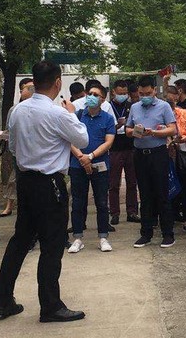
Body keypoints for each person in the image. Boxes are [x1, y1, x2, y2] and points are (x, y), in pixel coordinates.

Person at [0, 60, 89, 323]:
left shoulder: (17, 112)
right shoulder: (58, 113)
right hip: (50, 185)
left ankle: (3, 299)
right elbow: (82, 140)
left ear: (34, 82)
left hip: (26, 182)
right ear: (58, 82)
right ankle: (50, 306)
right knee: (52, 245)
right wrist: (71, 113)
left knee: (20, 241)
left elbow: (13, 146)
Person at [127, 75, 178, 248]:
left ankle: (168, 234)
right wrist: (135, 131)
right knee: (145, 194)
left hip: (158, 153)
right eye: (141, 94)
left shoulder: (164, 106)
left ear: (155, 90)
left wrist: (154, 133)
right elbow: (127, 129)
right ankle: (146, 233)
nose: (144, 97)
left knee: (162, 194)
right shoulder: (134, 107)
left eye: (148, 93)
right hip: (140, 154)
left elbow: (172, 129)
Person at [68, 84, 116, 254]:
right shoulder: (78, 116)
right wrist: (81, 157)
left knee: (101, 202)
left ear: (103, 99)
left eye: (96, 94)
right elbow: (69, 139)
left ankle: (103, 237)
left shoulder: (108, 119)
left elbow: (108, 142)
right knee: (78, 202)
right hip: (77, 165)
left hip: (100, 165)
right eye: (90, 93)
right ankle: (77, 238)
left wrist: (90, 156)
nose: (91, 96)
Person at [164, 85, 186, 234]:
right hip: (166, 156)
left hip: (184, 155)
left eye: (173, 102)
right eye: (168, 101)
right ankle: (169, 217)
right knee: (169, 187)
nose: (171, 105)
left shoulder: (183, 113)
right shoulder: (159, 114)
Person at [0, 78, 35, 218]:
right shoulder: (14, 110)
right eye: (27, 88)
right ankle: (12, 207)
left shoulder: (43, 108)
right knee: (16, 180)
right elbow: (9, 131)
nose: (30, 90)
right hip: (19, 153)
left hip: (36, 153)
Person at [109, 80, 140, 225]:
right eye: (120, 93)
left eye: (125, 93)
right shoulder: (108, 107)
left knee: (132, 182)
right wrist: (117, 125)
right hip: (114, 149)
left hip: (131, 148)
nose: (123, 95)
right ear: (113, 92)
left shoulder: (131, 106)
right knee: (114, 183)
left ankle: (132, 212)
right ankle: (114, 213)